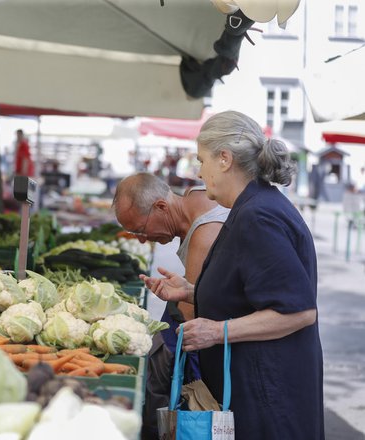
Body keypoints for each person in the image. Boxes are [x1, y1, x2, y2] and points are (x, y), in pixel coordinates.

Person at [143, 111, 323, 439]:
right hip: (258, 393)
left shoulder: (259, 216)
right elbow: (249, 293)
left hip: (267, 401)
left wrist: (217, 331)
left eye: (201, 160)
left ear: (224, 159)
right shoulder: (253, 206)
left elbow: (298, 311)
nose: (199, 171)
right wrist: (191, 292)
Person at [113, 172, 229, 437]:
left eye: (140, 230)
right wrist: (187, 288)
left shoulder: (204, 234)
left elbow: (197, 313)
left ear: (162, 207)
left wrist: (187, 296)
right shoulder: (193, 197)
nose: (142, 240)